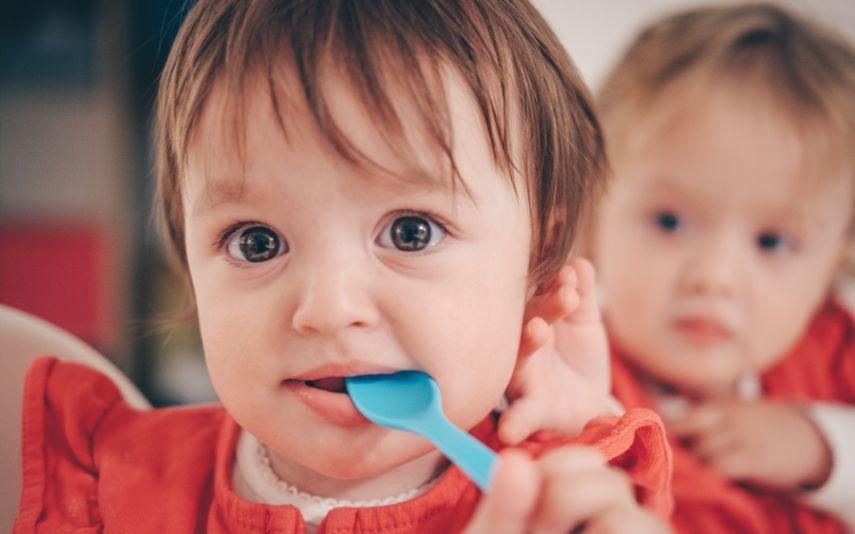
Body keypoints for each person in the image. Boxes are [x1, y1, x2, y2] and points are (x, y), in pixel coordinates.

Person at [14, 1, 672, 532]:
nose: (327, 309)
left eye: (410, 233)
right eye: (256, 242)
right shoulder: (111, 484)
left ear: (537, 265)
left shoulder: (560, 508)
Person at [589, 4, 855, 532]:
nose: (715, 277)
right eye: (668, 221)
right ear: (589, 211)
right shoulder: (572, 381)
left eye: (772, 241)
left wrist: (824, 448)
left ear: (836, 261)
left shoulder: (832, 354)